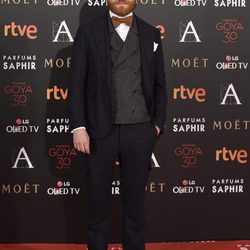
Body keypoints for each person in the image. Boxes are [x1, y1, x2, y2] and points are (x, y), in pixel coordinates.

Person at [68, 0, 168, 249]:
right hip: (100, 132)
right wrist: (78, 126)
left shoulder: (150, 32)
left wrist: (155, 126)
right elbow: (76, 83)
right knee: (97, 210)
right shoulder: (88, 31)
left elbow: (159, 84)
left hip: (140, 130)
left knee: (135, 211)